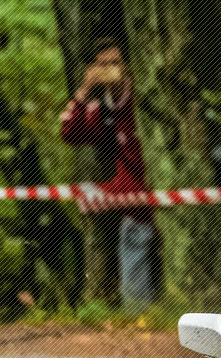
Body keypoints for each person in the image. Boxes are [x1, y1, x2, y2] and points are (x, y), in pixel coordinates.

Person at [60, 39, 157, 308]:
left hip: (157, 188)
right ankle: (135, 308)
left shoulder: (143, 98)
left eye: (115, 63)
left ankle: (140, 309)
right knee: (92, 201)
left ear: (126, 66)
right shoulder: (101, 107)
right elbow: (69, 132)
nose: (110, 69)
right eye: (102, 65)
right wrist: (84, 89)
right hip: (133, 199)